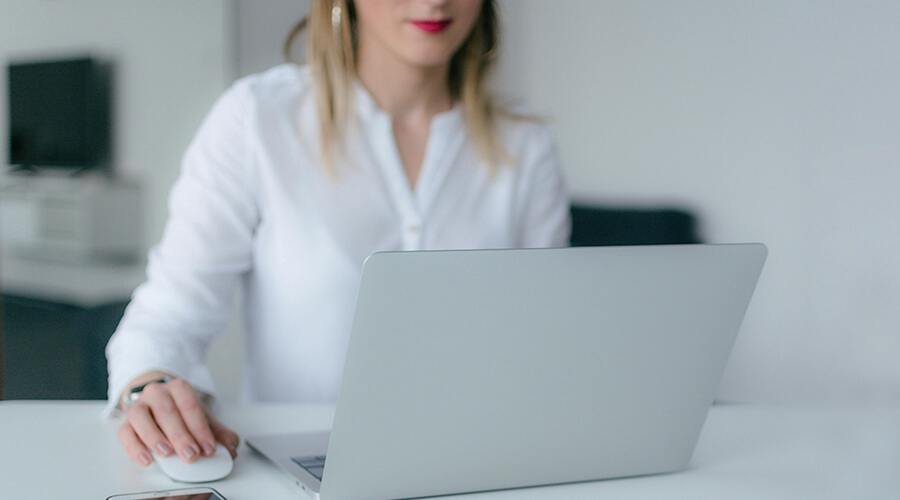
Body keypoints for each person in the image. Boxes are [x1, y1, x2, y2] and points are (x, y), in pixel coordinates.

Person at [105, 0, 570, 468]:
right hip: (299, 469)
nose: (435, 1)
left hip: (479, 464)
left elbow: (546, 345)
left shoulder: (527, 148)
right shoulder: (258, 120)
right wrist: (150, 386)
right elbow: (167, 317)